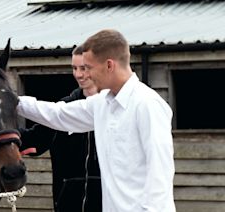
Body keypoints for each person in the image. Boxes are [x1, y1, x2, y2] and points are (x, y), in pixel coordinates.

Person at [17, 29, 176, 212]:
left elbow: (159, 174)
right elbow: (58, 114)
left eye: (89, 68)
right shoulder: (102, 103)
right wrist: (12, 101)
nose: (86, 75)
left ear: (109, 65)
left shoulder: (147, 104)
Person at [20, 45, 102, 212]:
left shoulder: (115, 108)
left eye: (84, 68)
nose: (78, 74)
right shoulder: (62, 110)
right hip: (68, 205)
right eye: (74, 68)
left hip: (108, 204)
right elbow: (33, 141)